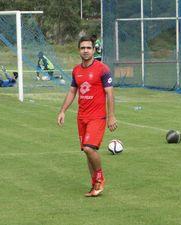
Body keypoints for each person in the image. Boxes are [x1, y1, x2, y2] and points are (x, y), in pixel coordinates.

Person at [57, 36, 117, 197]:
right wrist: (63, 111)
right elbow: (72, 91)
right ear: (79, 50)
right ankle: (94, 185)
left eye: (88, 48)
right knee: (86, 151)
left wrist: (111, 116)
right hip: (81, 117)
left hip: (97, 117)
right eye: (82, 48)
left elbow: (110, 93)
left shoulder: (102, 69)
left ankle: (100, 178)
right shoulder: (76, 70)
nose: (85, 50)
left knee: (89, 148)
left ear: (94, 50)